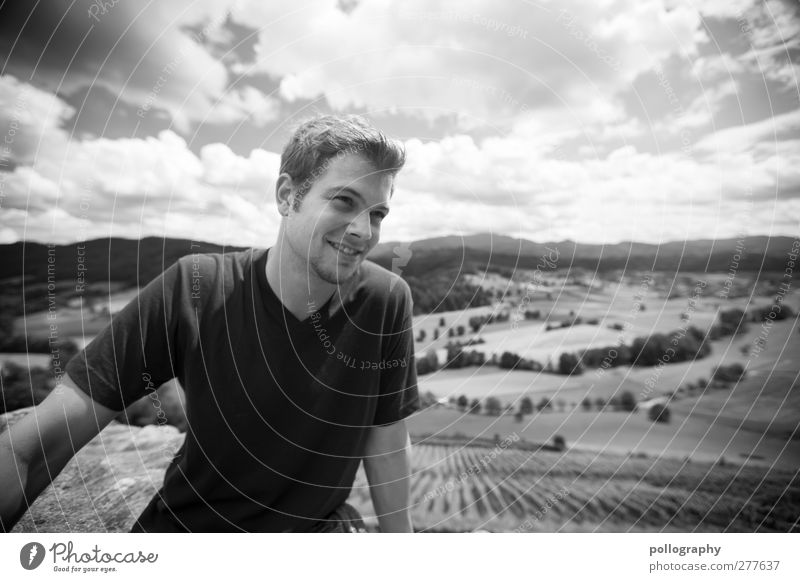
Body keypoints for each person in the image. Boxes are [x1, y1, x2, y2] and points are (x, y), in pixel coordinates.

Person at [0, 115, 419, 533]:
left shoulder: (385, 300)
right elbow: (37, 447)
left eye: (378, 213)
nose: (365, 230)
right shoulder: (195, 287)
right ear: (288, 196)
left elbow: (386, 437)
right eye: (344, 201)